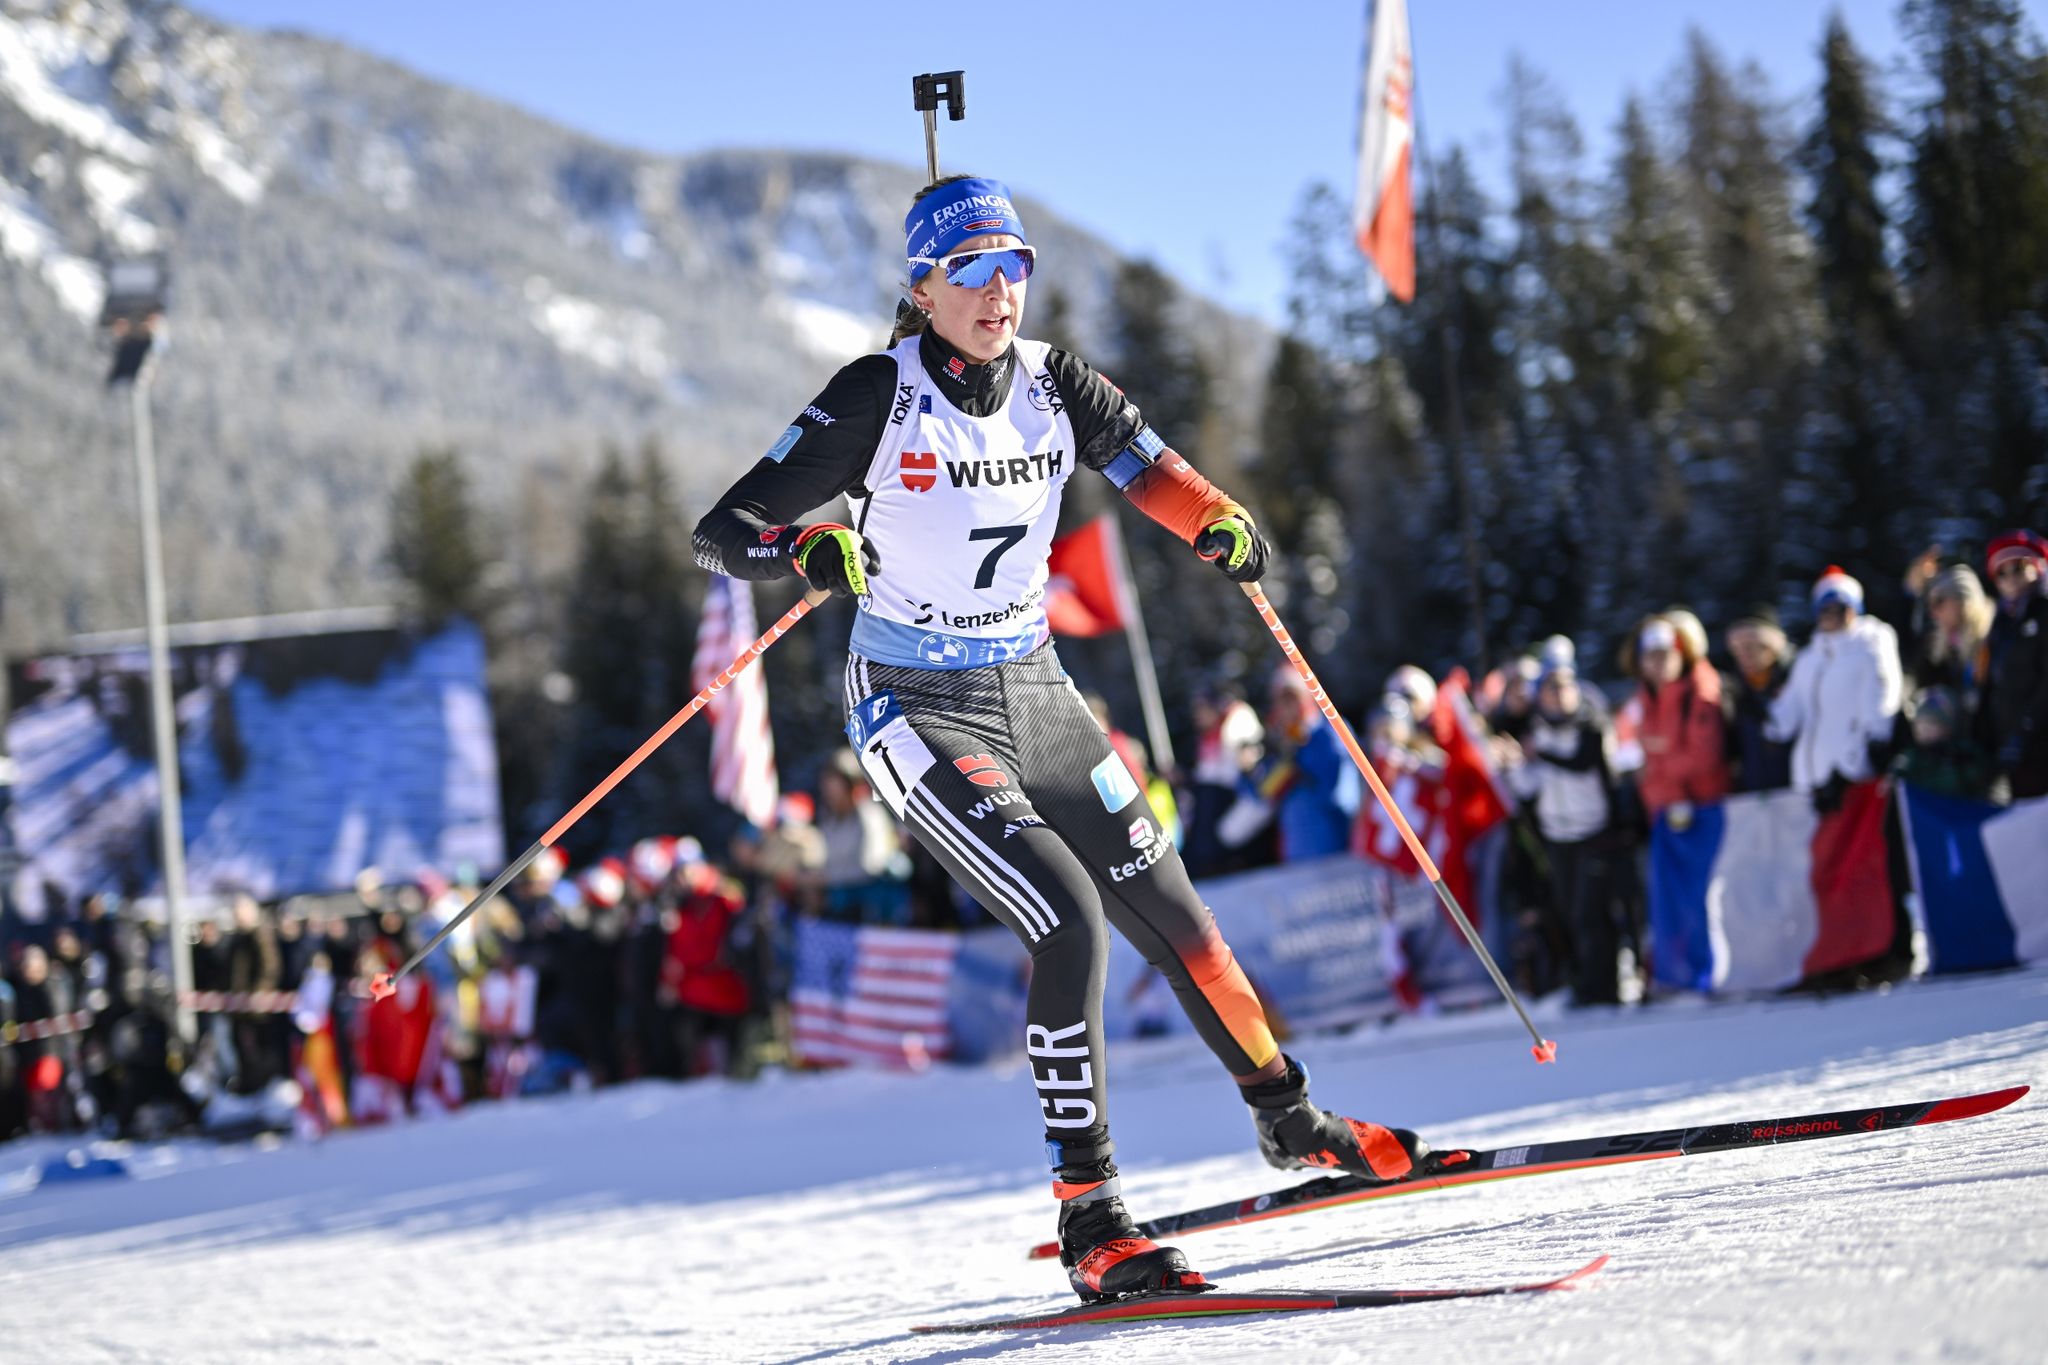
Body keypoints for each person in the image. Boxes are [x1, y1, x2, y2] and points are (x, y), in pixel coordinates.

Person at [691, 174, 1426, 1302]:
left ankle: (1291, 1121)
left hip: (1036, 690)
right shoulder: (873, 397)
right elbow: (722, 529)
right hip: (914, 702)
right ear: (921, 287)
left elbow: (1151, 471)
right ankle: (1092, 1219)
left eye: (1014, 265)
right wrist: (804, 549)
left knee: (1179, 916)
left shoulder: (1054, 382)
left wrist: (1215, 519)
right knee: (1067, 918)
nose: (998, 291)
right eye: (971, 270)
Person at [1500, 662, 1631, 1006]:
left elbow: (1580, 764)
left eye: (1564, 688)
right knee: (1571, 912)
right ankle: (1583, 983)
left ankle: (1606, 988)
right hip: (1558, 836)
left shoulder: (1590, 726)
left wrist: (1539, 755)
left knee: (1594, 914)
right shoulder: (1537, 732)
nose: (1559, 697)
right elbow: (1530, 788)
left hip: (1595, 832)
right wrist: (1514, 764)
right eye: (1550, 690)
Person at [1767, 567, 1903, 810]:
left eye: (1840, 608)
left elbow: (1879, 708)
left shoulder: (1872, 646)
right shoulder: (1808, 659)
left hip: (1851, 783)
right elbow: (1787, 717)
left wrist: (1850, 771)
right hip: (1807, 783)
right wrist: (1764, 711)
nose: (1832, 616)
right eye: (1825, 609)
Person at [1979, 530, 2048, 800]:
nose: (2010, 578)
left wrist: (2026, 729)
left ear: (2037, 567)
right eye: (2001, 572)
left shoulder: (2044, 612)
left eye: (2018, 568)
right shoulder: (2001, 620)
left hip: (2039, 743)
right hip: (2011, 745)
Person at [1724, 608, 1794, 794]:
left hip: (1798, 792)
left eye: (1751, 646)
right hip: (1755, 796)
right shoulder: (1734, 691)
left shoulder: (1796, 681)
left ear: (1772, 647)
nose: (1744, 655)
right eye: (1737, 649)